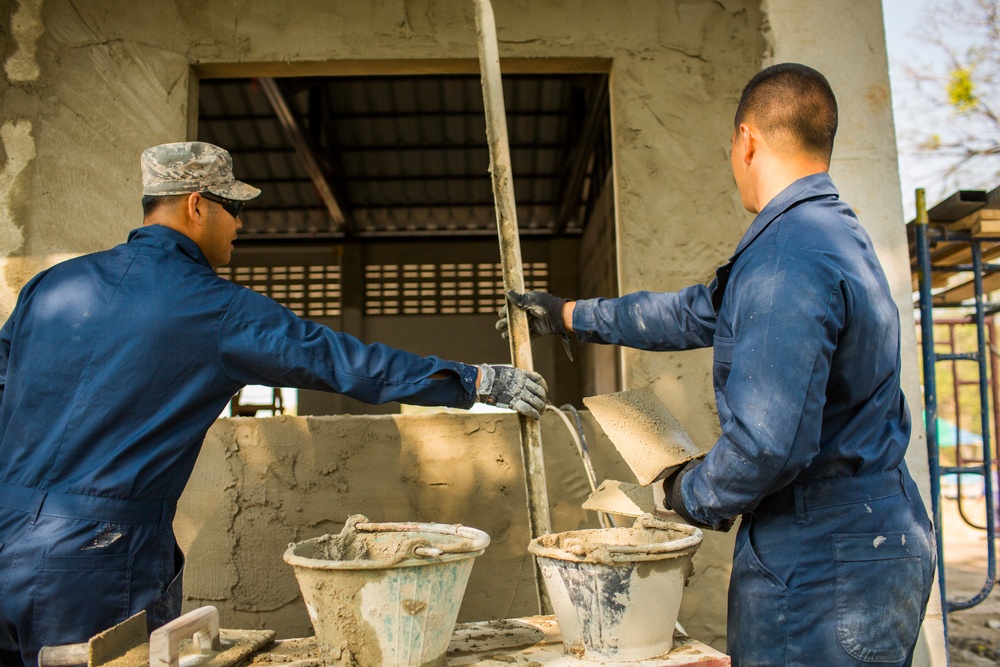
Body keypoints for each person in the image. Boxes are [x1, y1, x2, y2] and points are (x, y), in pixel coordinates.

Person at [0, 141, 547, 667]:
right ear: (197, 206)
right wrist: (474, 381)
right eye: (234, 208)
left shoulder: (50, 286)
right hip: (99, 556)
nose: (241, 224)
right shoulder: (216, 309)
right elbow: (342, 362)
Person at [498, 64, 936, 666]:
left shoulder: (786, 258)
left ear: (747, 140)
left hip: (821, 560)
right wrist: (568, 314)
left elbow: (767, 448)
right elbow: (691, 313)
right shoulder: (828, 236)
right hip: (871, 536)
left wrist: (686, 495)